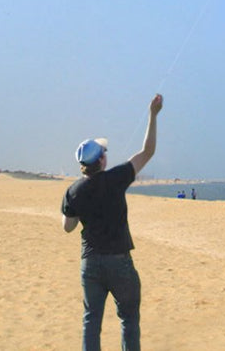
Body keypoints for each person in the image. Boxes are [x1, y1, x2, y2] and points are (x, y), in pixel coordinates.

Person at [61, 94, 163, 351]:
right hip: (118, 262)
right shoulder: (116, 177)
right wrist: (153, 114)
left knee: (91, 321)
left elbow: (68, 226)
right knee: (128, 319)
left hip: (91, 263)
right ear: (101, 160)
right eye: (104, 152)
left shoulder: (73, 191)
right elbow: (148, 152)